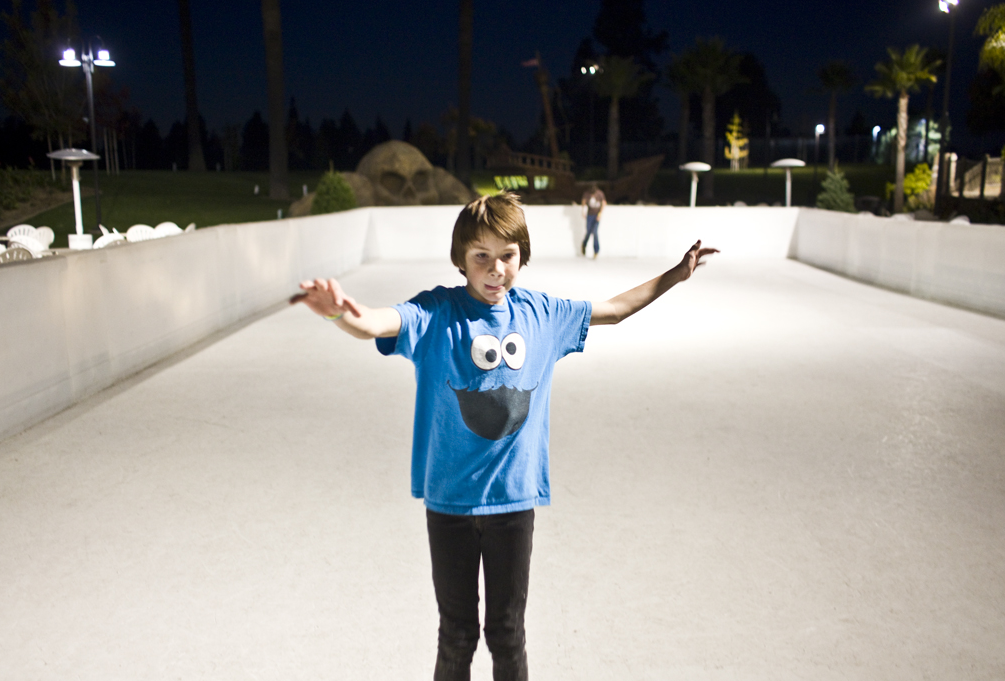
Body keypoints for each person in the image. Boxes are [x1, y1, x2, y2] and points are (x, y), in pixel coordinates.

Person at [293, 192, 717, 681]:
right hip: (450, 504)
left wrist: (675, 275)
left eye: (508, 256)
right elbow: (373, 323)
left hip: (513, 506)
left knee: (507, 633)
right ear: (461, 260)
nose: (496, 270)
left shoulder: (543, 314)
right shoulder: (436, 313)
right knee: (456, 634)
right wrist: (336, 311)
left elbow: (616, 309)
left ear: (523, 256)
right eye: (482, 257)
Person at [580, 184, 606, 258]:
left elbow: (604, 203)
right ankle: (584, 244)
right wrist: (583, 211)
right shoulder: (587, 193)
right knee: (588, 232)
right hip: (589, 215)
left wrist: (600, 214)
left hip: (596, 215)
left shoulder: (600, 194)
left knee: (595, 232)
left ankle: (596, 251)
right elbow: (583, 201)